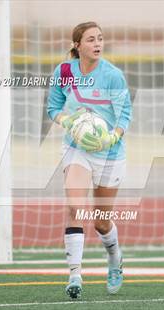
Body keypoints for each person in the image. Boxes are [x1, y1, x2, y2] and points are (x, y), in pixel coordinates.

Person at [47, 22, 132, 299]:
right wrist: (67, 120)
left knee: (101, 222)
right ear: (77, 45)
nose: (97, 44)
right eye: (91, 40)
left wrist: (111, 137)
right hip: (77, 148)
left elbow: (124, 115)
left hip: (109, 152)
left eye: (100, 39)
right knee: (75, 206)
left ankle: (114, 257)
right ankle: (75, 275)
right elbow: (53, 108)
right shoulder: (64, 71)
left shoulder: (113, 75)